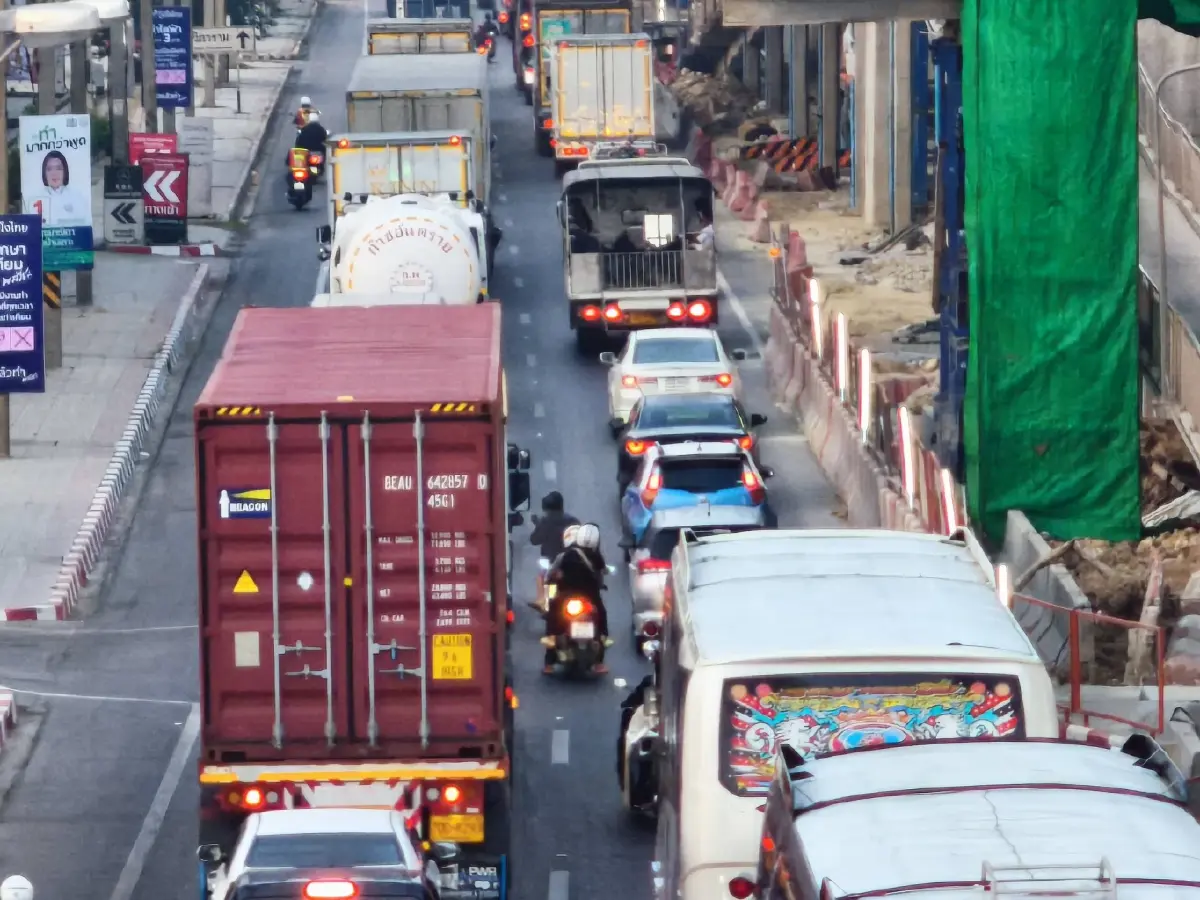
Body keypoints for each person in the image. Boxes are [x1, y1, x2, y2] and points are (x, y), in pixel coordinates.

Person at [544, 522, 610, 673]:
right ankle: (600, 657)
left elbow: (550, 574)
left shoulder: (565, 555)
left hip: (565, 597)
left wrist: (551, 580)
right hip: (590, 597)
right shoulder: (597, 557)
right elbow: (602, 573)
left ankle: (549, 660)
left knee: (552, 615)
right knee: (601, 615)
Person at [31, 150, 89, 228]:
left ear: (65, 171)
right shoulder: (36, 198)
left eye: (58, 168)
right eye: (49, 169)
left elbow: (84, 226)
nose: (54, 173)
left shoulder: (76, 197)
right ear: (44, 173)